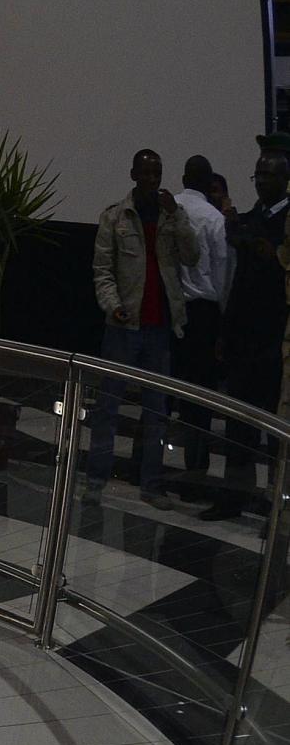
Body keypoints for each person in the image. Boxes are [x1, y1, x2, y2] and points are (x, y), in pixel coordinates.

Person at [86, 148, 197, 503]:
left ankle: (151, 484)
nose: (152, 180)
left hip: (160, 327)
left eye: (158, 173)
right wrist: (113, 306)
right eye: (146, 173)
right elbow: (102, 270)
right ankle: (95, 480)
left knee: (157, 411)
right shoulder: (116, 217)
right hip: (124, 327)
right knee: (108, 407)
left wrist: (176, 215)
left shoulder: (170, 216)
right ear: (133, 174)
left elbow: (192, 256)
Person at [210, 143, 290, 519]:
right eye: (257, 174)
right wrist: (225, 332)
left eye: (269, 174)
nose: (261, 181)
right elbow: (238, 281)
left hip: (275, 340)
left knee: (275, 429)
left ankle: (276, 505)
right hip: (244, 337)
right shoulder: (253, 217)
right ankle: (233, 496)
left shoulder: (285, 221)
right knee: (237, 424)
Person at [170, 155, 234, 487]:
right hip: (204, 314)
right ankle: (196, 471)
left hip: (171, 308)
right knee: (201, 398)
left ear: (183, 177)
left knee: (170, 392)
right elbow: (223, 273)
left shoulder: (171, 209)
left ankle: (155, 467)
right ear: (210, 182)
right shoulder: (213, 219)